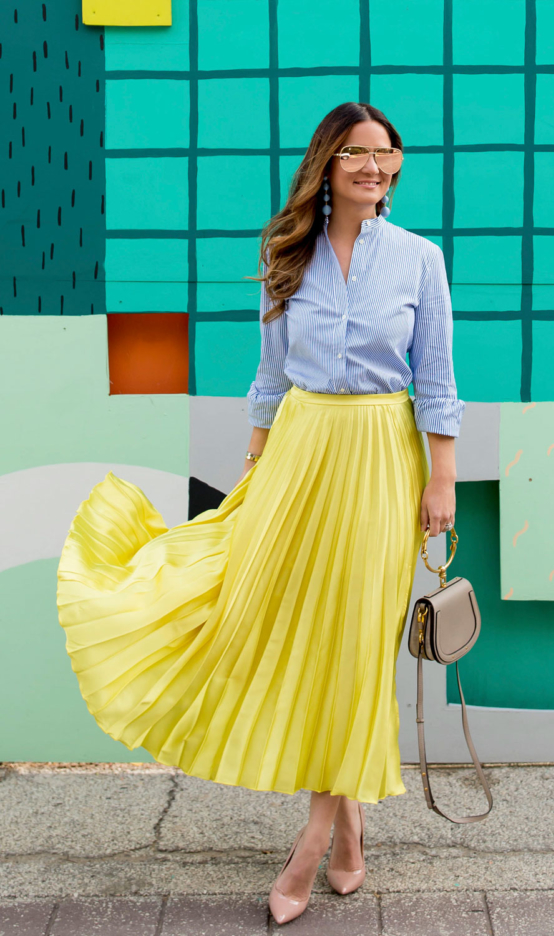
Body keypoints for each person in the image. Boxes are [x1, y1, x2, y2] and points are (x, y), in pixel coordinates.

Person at [56, 101, 465, 926]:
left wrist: (441, 478)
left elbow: (438, 376)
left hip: (382, 460)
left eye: (385, 155)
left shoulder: (421, 259)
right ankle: (349, 832)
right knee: (287, 630)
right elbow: (271, 377)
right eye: (355, 153)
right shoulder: (289, 254)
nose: (372, 168)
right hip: (299, 455)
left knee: (352, 646)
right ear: (328, 163)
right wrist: (253, 467)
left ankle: (311, 849)